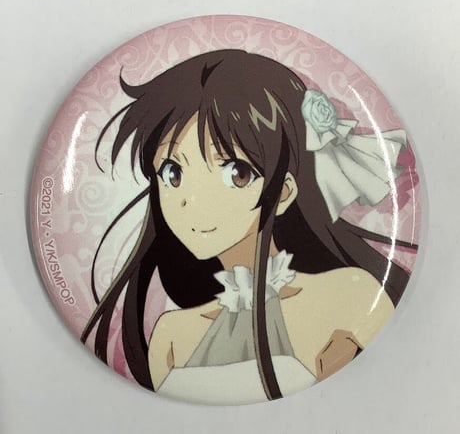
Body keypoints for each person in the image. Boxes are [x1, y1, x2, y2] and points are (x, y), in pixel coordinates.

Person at [81, 49, 416, 404]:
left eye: (236, 173)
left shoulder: (353, 297)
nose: (191, 200)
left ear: (284, 192)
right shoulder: (172, 336)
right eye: (172, 172)